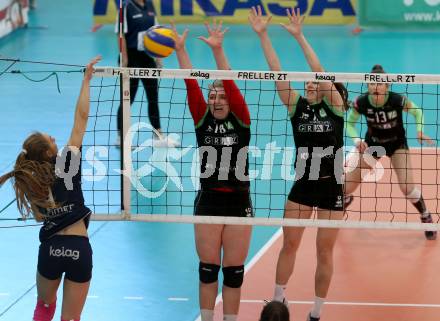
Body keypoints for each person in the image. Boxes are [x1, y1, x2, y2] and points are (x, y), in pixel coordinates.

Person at [249, 6, 349, 321]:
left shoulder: (335, 108)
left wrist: (300, 36)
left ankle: (316, 312)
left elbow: (320, 70)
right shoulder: (297, 108)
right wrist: (264, 35)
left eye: (315, 83)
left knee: (323, 251)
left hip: (331, 185)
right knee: (289, 243)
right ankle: (278, 303)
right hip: (303, 185)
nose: (310, 84)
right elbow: (278, 72)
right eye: (307, 82)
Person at [0, 56, 101, 321]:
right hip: (79, 248)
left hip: (51, 248)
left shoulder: (31, 180)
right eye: (50, 138)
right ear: (48, 151)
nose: (55, 137)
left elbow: (40, 217)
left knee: (44, 308)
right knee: (70, 319)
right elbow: (81, 120)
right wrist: (86, 81)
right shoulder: (68, 160)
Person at [171, 21, 253, 321]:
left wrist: (218, 50)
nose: (216, 99)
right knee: (208, 272)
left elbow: (230, 81)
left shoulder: (241, 119)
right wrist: (181, 50)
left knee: (233, 274)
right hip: (208, 200)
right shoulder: (201, 118)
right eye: (213, 95)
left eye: (221, 95)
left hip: (238, 201)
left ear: (230, 101)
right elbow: (190, 82)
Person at [345, 64, 437, 240]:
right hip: (373, 146)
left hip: (397, 145)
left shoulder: (396, 100)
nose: (376, 86)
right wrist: (357, 141)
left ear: (387, 86)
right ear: (368, 86)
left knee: (407, 188)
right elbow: (349, 124)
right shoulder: (362, 102)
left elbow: (417, 112)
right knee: (345, 187)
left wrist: (419, 130)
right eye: (372, 84)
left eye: (380, 84)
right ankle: (346, 200)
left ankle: (425, 215)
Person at [116, 0, 178, 147]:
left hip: (147, 57)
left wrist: (157, 57)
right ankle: (121, 136)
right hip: (131, 58)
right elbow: (120, 34)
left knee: (153, 97)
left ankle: (158, 135)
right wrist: (124, 60)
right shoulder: (126, 7)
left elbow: (155, 32)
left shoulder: (149, 5)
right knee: (127, 98)